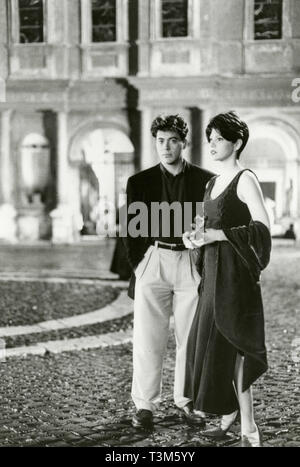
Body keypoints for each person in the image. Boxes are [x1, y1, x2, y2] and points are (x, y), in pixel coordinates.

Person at [183, 111, 272, 447]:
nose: (212, 144)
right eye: (210, 138)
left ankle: (248, 427)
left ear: (237, 143)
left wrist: (217, 235)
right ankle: (229, 416)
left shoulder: (245, 179)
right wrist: (195, 237)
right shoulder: (210, 183)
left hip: (235, 280)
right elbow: (205, 227)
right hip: (213, 277)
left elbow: (263, 231)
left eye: (219, 138)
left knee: (235, 350)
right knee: (211, 350)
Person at [123, 115, 214, 429]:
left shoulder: (207, 180)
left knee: (190, 337)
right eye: (160, 141)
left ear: (184, 143)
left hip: (191, 261)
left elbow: (212, 225)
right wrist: (140, 265)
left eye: (172, 140)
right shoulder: (139, 182)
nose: (166, 146)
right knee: (148, 337)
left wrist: (203, 262)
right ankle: (145, 406)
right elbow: (130, 232)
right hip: (155, 259)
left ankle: (187, 402)